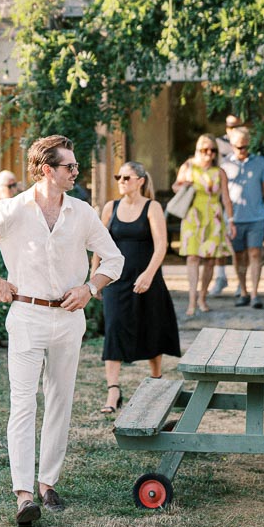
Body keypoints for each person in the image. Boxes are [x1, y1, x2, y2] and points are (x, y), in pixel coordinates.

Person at [0, 135, 123, 527]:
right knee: (23, 402)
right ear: (47, 169)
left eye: (76, 167)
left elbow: (114, 258)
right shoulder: (11, 209)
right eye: (70, 167)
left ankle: (48, 483)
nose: (76, 172)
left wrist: (90, 287)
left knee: (61, 399)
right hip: (26, 315)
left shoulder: (82, 212)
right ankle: (23, 495)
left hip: (67, 319)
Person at [94, 160, 180, 414]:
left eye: (126, 177)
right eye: (118, 177)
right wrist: (94, 276)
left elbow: (161, 246)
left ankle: (156, 381)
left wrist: (148, 275)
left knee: (151, 326)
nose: (121, 181)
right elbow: (99, 243)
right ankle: (113, 390)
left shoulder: (152, 208)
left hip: (146, 277)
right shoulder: (111, 207)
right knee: (114, 327)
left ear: (140, 181)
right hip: (115, 279)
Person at [174, 137, 234, 317]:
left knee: (210, 261)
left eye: (212, 150)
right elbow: (175, 187)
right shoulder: (188, 166)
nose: (209, 154)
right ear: (198, 150)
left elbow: (226, 197)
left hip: (213, 218)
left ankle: (202, 296)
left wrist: (230, 220)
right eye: (205, 150)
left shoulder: (219, 171)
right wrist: (183, 185)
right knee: (192, 257)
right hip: (193, 216)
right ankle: (192, 300)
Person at [223, 126, 264, 309]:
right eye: (238, 147)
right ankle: (243, 291)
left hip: (257, 217)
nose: (242, 150)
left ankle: (254, 294)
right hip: (234, 218)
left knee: (255, 253)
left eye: (245, 147)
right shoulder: (224, 165)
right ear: (231, 145)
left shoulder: (260, 162)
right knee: (238, 256)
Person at [209, 115, 244, 297]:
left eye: (236, 125)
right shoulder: (218, 144)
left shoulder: (246, 143)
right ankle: (220, 276)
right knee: (220, 242)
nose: (232, 129)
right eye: (230, 125)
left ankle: (242, 282)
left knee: (240, 245)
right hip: (222, 197)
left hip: (241, 199)